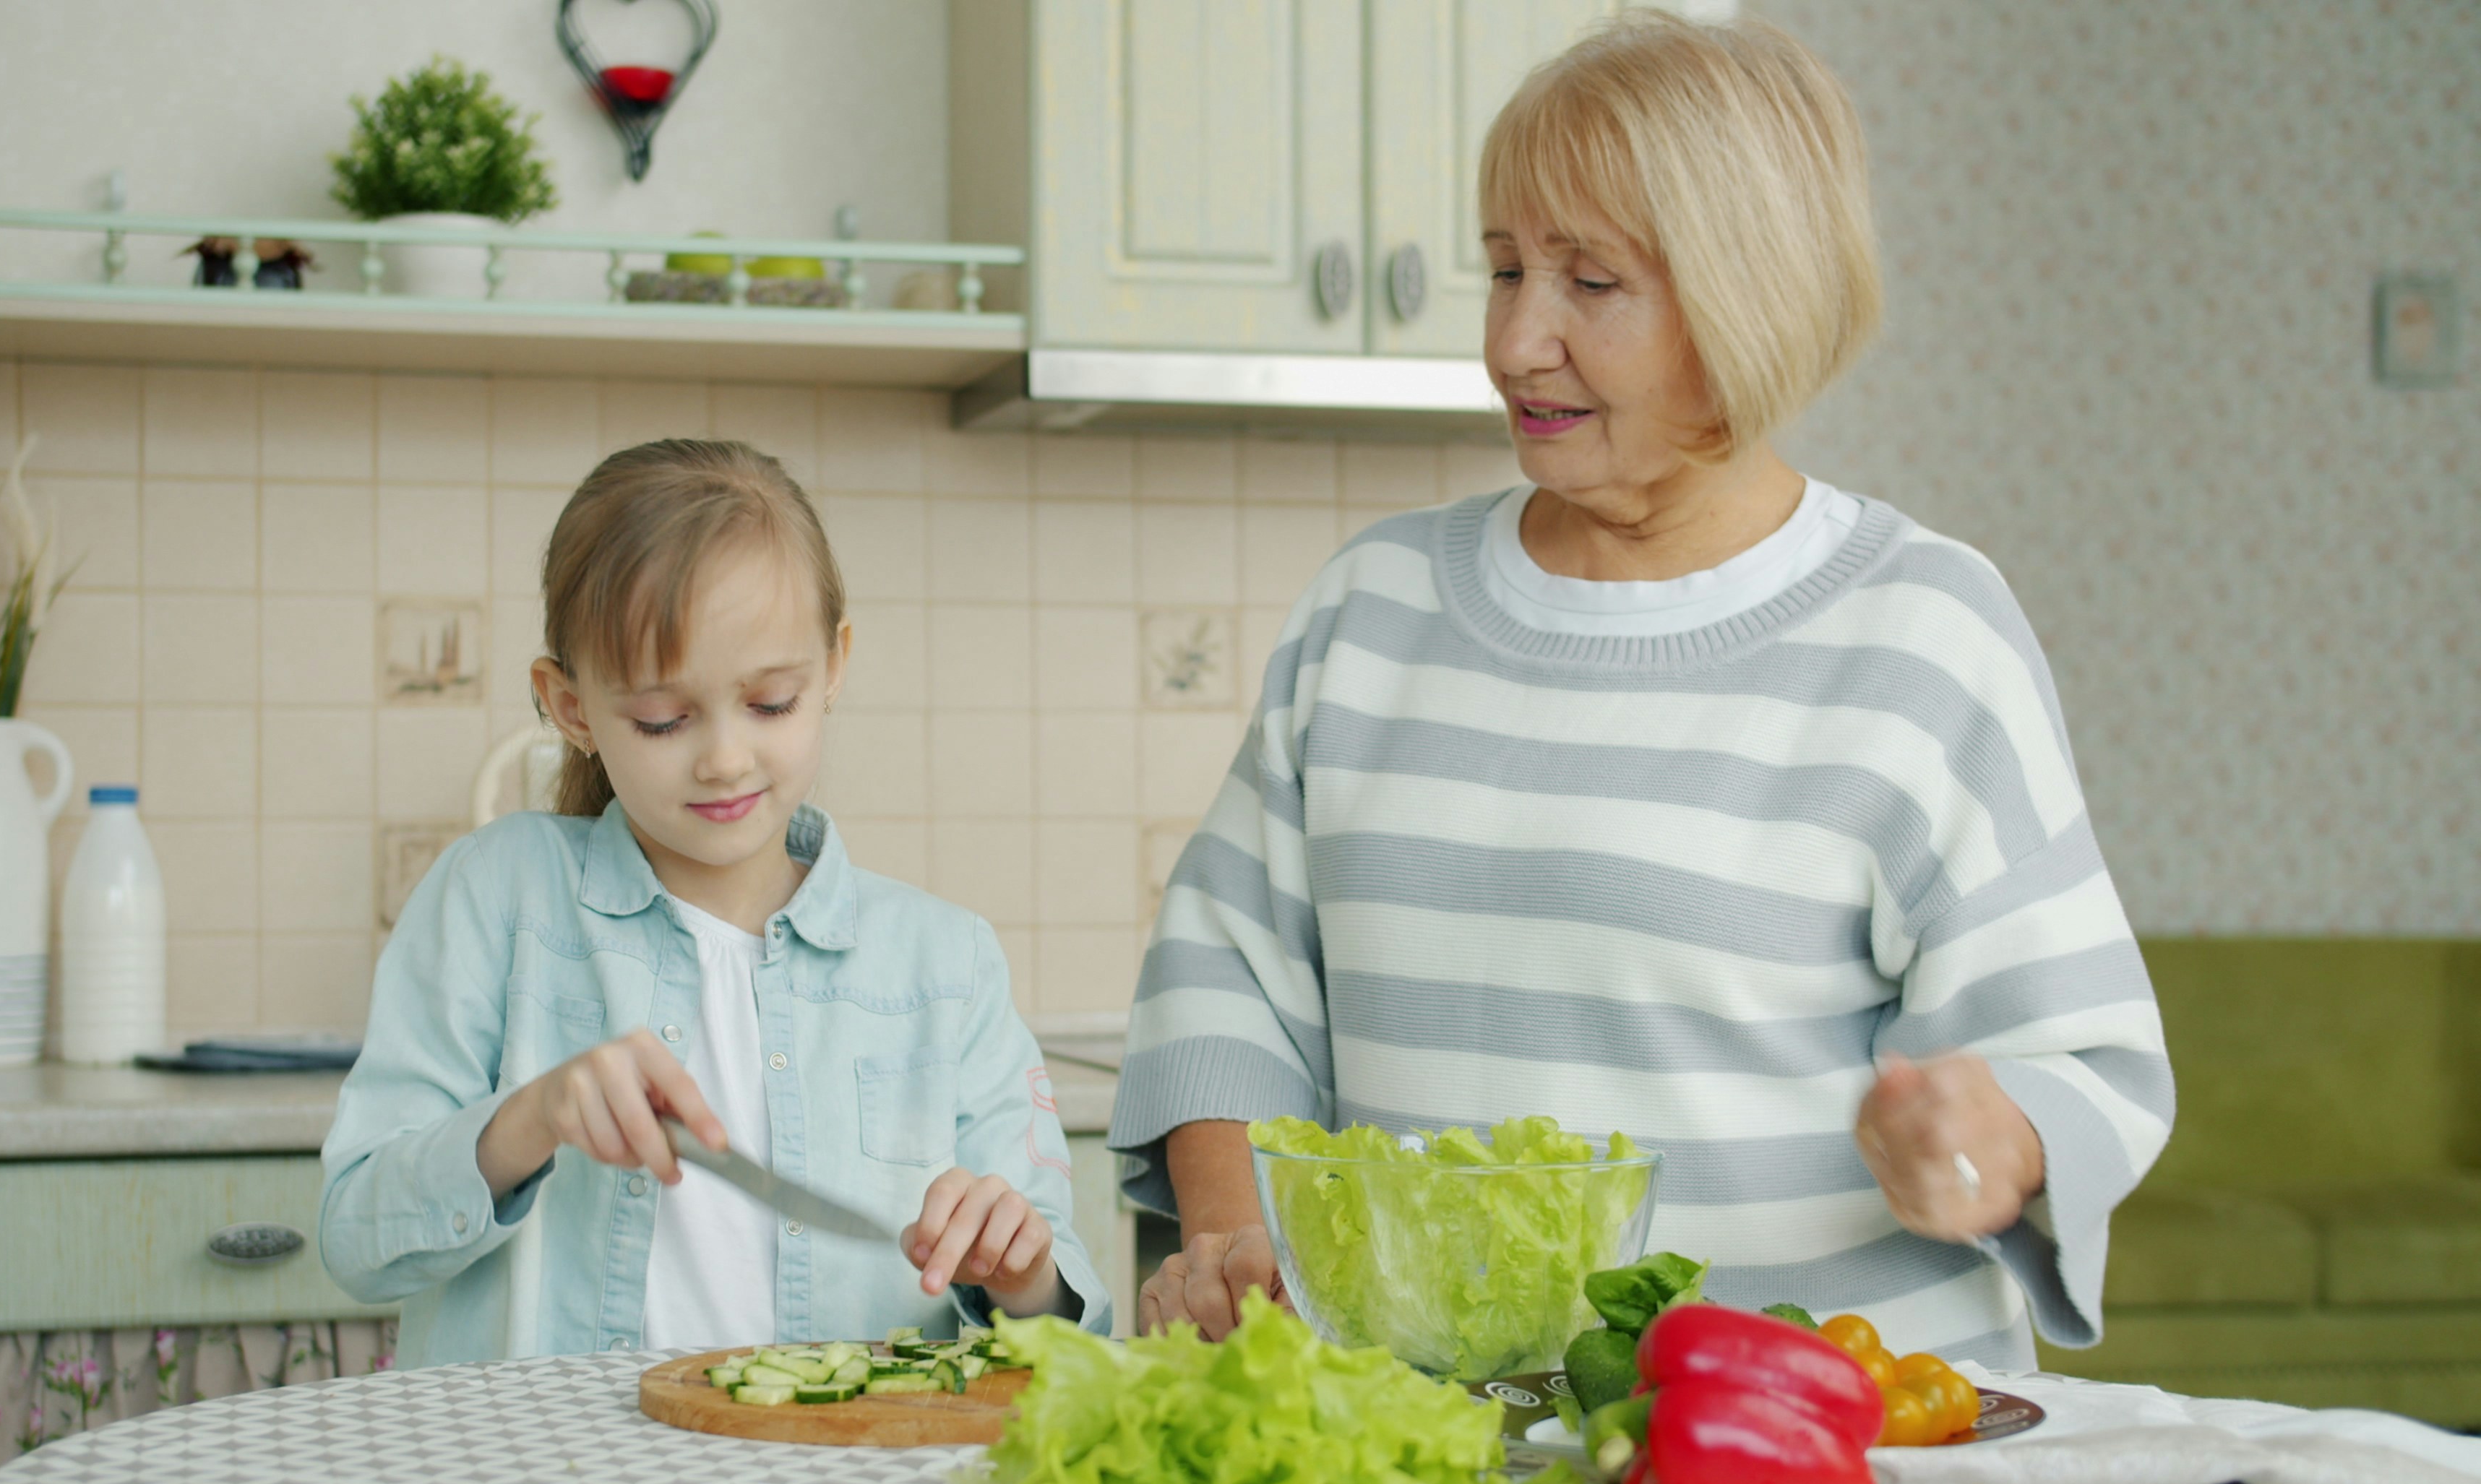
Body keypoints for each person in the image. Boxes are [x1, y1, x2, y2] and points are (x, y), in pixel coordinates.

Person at [1114, 12, 2171, 1370]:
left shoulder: (1921, 632)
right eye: (1502, 271)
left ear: (1748, 294)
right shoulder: (1369, 611)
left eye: (1589, 283)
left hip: (1820, 1458)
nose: (1514, 342)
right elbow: (1224, 977)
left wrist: (1990, 1142)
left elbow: (2079, 1060)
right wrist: (1229, 1240)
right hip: (1446, 1460)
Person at [322, 439, 1108, 1365]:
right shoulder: (496, 898)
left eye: (772, 703)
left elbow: (1065, 1313)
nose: (725, 760)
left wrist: (1018, 1275)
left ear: (835, 665)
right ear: (570, 707)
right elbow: (357, 1238)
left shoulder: (946, 966)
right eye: (663, 720)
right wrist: (529, 1119)